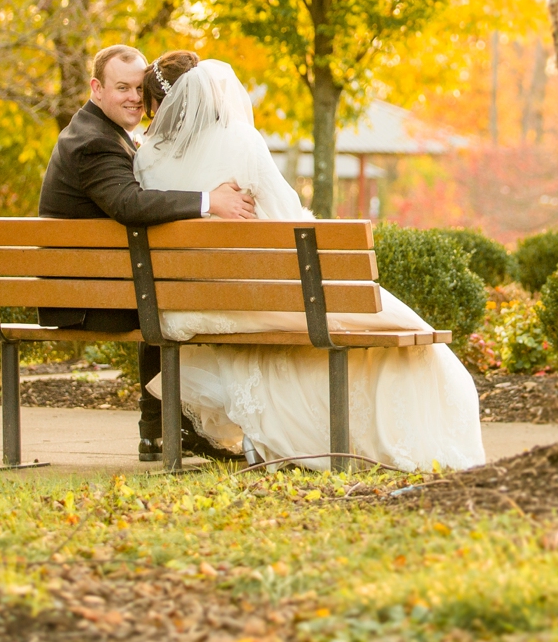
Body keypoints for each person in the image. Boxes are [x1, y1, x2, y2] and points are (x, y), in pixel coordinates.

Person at [134, 52, 485, 471]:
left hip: (186, 306)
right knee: (407, 332)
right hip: (257, 297)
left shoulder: (144, 159)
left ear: (162, 105)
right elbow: (289, 219)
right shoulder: (239, 142)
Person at [37, 44, 256, 461]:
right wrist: (209, 201)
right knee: (187, 300)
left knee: (171, 294)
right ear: (97, 88)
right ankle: (179, 428)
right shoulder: (92, 143)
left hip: (97, 287)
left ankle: (158, 430)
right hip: (87, 300)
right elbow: (129, 204)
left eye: (140, 88)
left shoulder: (99, 131)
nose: (135, 97)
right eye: (123, 87)